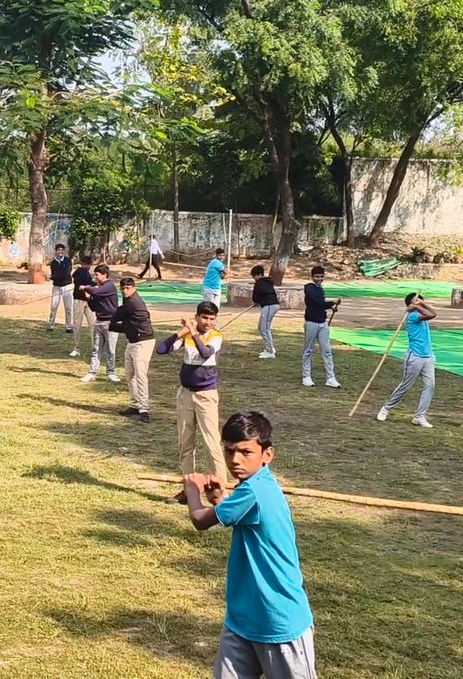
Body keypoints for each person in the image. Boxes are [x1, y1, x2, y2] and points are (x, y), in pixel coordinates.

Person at [181, 411, 316, 679]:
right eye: (229, 451)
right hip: (242, 619)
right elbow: (237, 513)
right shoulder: (253, 487)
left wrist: (192, 491)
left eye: (246, 452)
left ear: (268, 454)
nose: (235, 460)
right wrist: (219, 498)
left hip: (278, 621)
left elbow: (199, 520)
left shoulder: (254, 491)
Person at [158, 301, 227, 503]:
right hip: (186, 394)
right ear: (197, 317)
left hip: (206, 395)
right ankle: (189, 490)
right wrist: (182, 332)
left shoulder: (216, 337)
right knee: (185, 443)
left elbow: (205, 353)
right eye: (204, 318)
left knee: (211, 441)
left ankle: (220, 490)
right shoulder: (188, 334)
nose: (208, 322)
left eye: (212, 319)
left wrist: (193, 332)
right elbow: (162, 349)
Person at [377, 293, 437, 428]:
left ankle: (419, 416)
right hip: (414, 356)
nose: (418, 303)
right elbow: (431, 315)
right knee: (406, 385)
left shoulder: (422, 313)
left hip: (428, 356)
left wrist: (421, 304)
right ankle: (386, 408)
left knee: (430, 386)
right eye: (415, 301)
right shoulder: (412, 316)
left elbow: (433, 313)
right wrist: (416, 307)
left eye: (420, 301)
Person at [110, 277, 156, 422]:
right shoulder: (127, 301)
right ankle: (135, 404)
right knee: (130, 374)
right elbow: (125, 324)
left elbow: (116, 317)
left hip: (143, 341)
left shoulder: (132, 303)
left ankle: (144, 409)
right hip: (133, 341)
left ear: (134, 288)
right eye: (123, 288)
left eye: (128, 288)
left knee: (140, 375)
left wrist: (110, 324)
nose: (125, 291)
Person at [80, 264, 120, 384]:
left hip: (111, 322)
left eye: (97, 275)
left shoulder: (109, 286)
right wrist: (88, 297)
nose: (95, 277)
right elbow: (93, 306)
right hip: (99, 321)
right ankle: (92, 372)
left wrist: (85, 288)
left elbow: (96, 292)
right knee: (96, 348)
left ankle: (111, 373)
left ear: (105, 275)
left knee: (110, 349)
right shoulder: (99, 289)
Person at [301, 266, 340, 389]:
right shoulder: (309, 288)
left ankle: (330, 378)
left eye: (321, 276)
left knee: (327, 351)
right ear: (312, 277)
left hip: (323, 322)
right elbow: (318, 303)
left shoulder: (320, 289)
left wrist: (330, 307)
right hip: (311, 322)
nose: (319, 279)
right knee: (309, 350)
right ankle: (306, 376)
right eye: (317, 276)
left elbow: (321, 303)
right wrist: (332, 302)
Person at [69, 255, 96, 357]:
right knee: (77, 325)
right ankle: (76, 348)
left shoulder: (88, 273)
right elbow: (79, 280)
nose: (87, 266)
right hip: (78, 301)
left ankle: (95, 348)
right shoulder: (78, 272)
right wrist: (91, 284)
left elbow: (89, 283)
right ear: (82, 264)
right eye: (85, 264)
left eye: (89, 265)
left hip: (89, 302)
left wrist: (93, 284)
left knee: (93, 324)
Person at [252, 265, 279, 359]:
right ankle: (270, 348)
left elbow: (255, 297)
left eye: (254, 276)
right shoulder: (267, 282)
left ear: (259, 275)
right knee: (261, 327)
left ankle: (270, 351)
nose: (254, 279)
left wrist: (256, 302)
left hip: (269, 305)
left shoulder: (259, 283)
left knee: (264, 328)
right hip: (270, 305)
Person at [47, 243, 74, 333]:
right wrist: (55, 276)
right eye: (59, 250)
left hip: (67, 286)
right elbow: (54, 273)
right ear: (56, 251)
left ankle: (69, 326)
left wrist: (55, 276)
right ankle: (51, 325)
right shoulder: (53, 262)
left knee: (68, 307)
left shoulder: (67, 261)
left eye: (62, 250)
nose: (60, 252)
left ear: (64, 251)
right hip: (57, 286)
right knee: (54, 306)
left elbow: (66, 273)